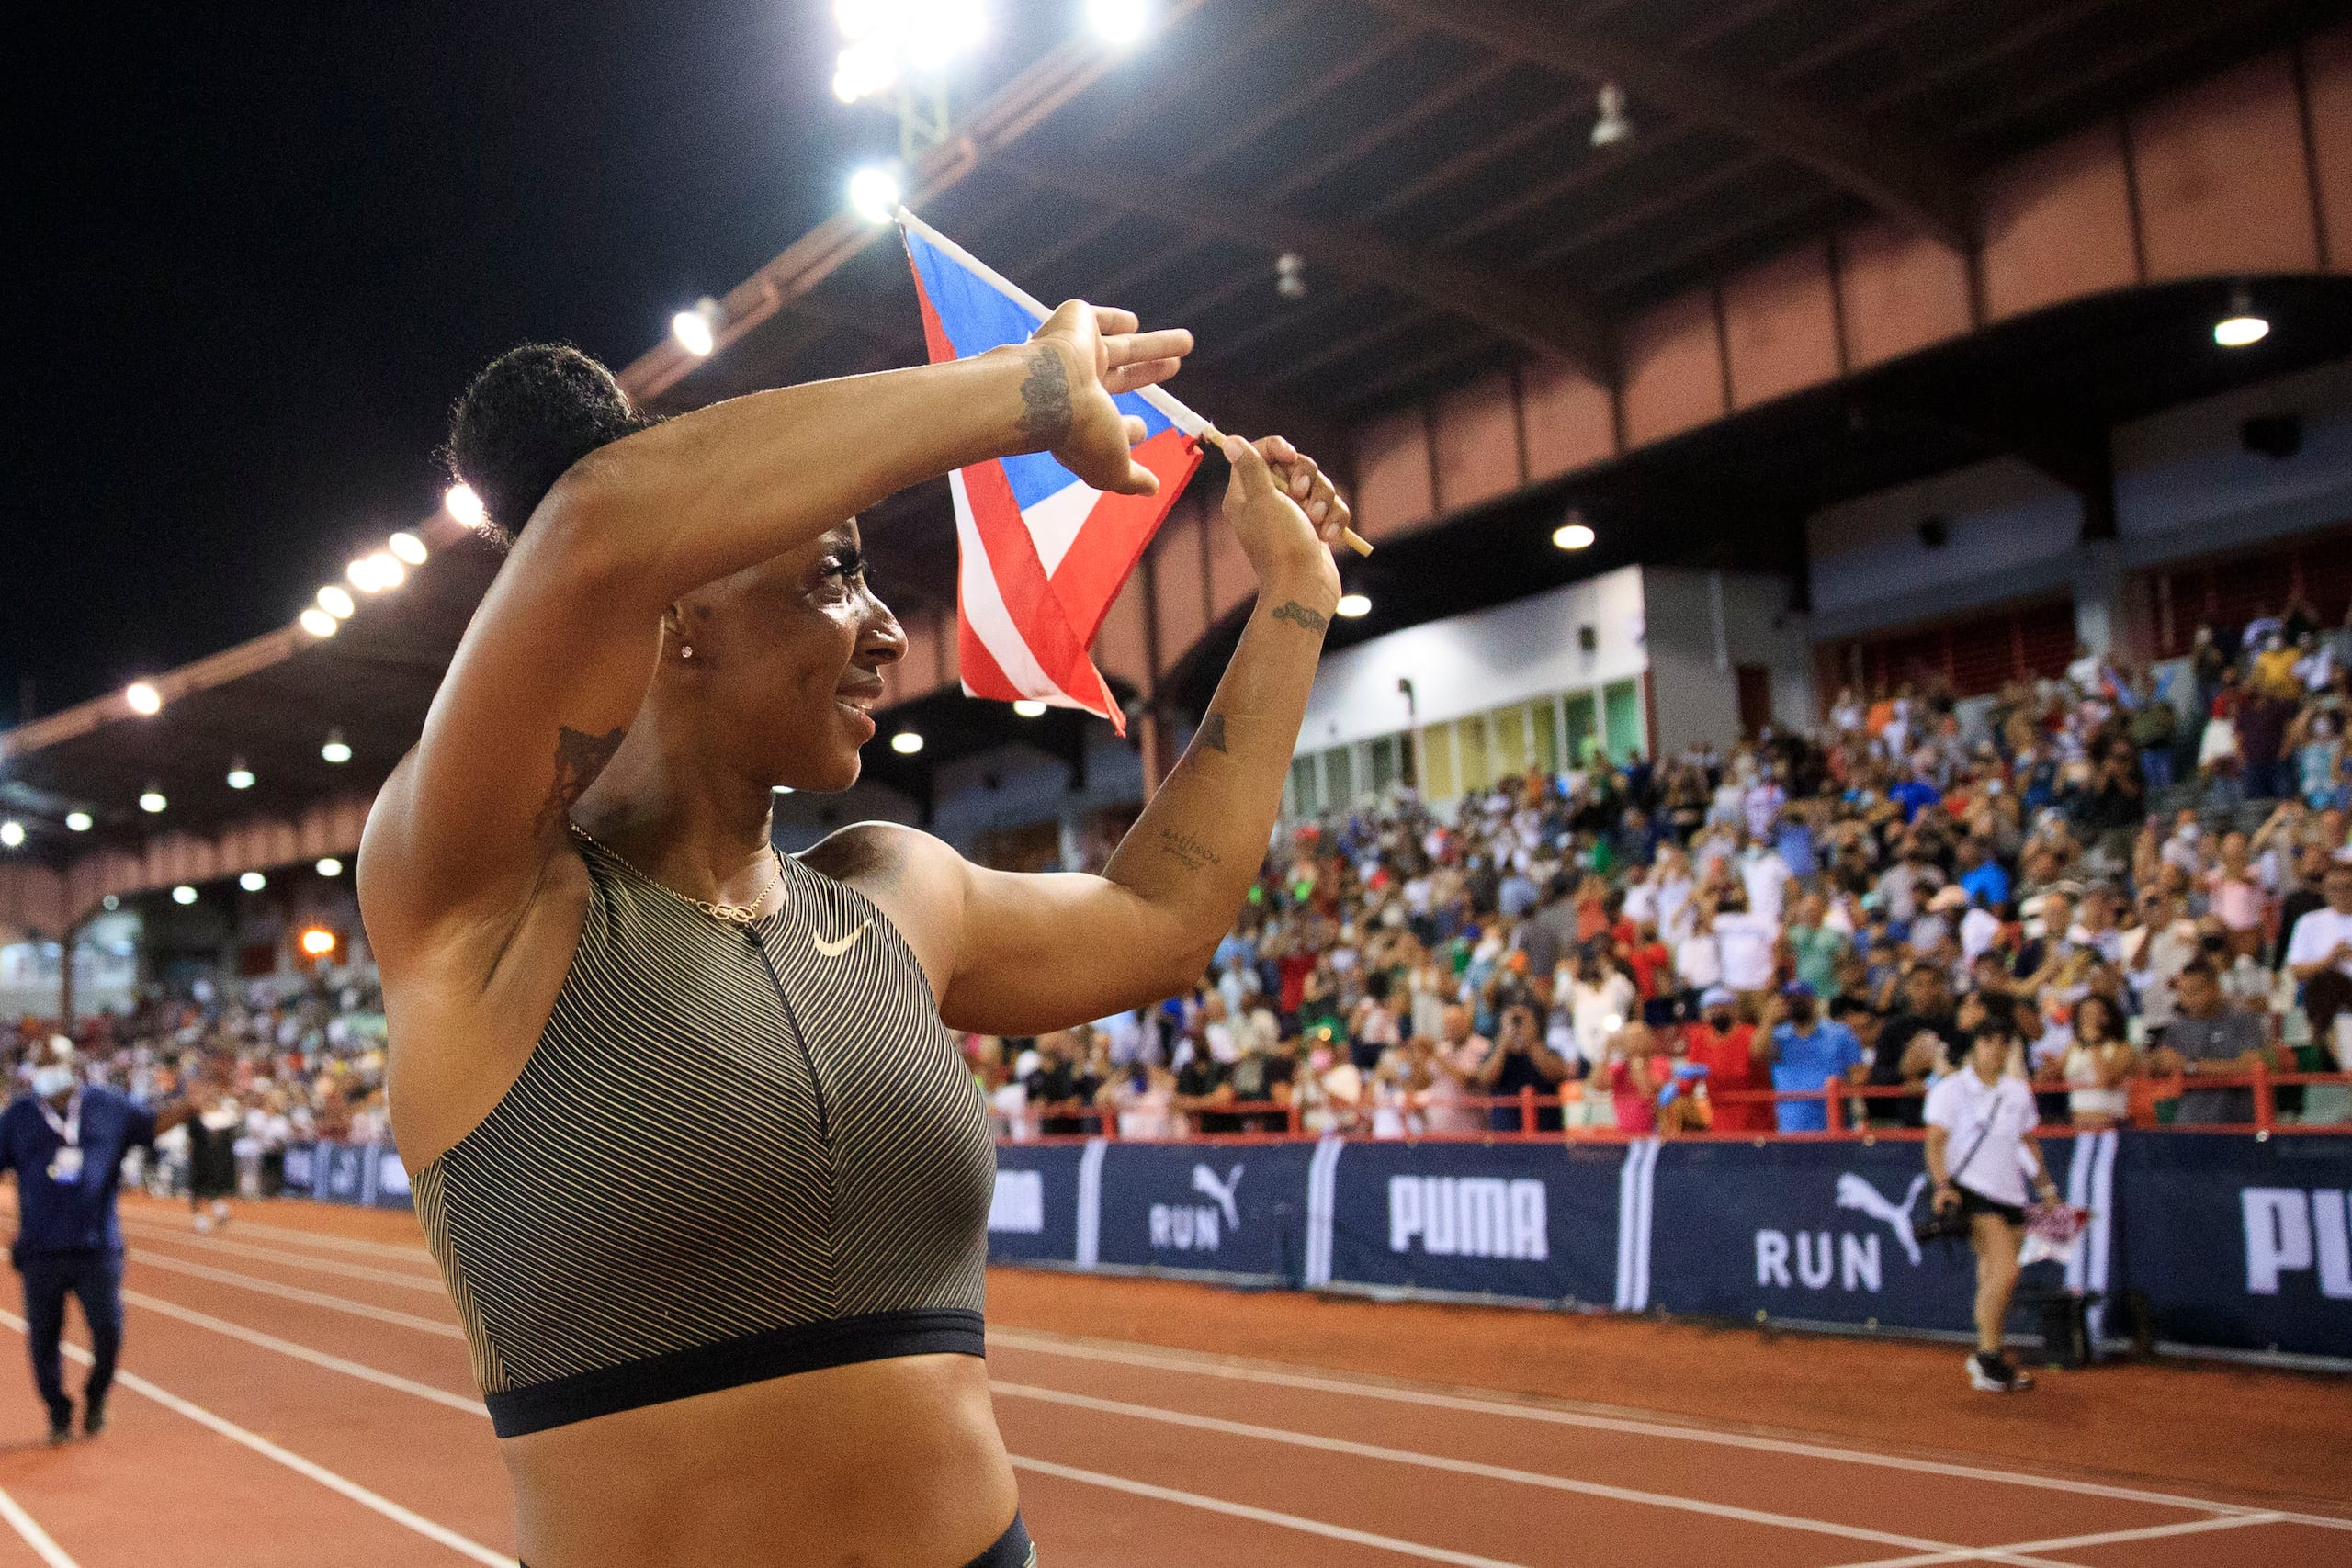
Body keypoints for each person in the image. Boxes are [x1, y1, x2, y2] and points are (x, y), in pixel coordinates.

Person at [359, 311, 1354, 1567]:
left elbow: (1159, 921)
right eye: (835, 575)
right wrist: (1024, 391)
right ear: (679, 615)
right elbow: (596, 530)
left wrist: (1293, 607)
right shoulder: (479, 900)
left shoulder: (891, 890)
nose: (886, 630)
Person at [0, 1040, 194, 1442]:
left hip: (97, 1248)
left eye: (53, 1062)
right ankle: (57, 1409)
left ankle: (96, 1396)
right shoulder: (18, 1117)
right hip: (41, 1251)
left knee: (109, 1331)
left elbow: (149, 1126)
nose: (46, 1070)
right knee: (43, 1339)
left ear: (75, 1066)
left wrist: (188, 1107)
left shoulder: (108, 1105)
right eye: (39, 1063)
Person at [1926, 1021, 2064, 1393]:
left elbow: (2028, 1142)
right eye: (1988, 1043)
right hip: (1972, 1192)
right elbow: (1935, 1142)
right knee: (2005, 1272)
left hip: (2012, 1194)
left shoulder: (2017, 1091)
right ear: (1974, 1047)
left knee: (1993, 1275)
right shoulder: (1950, 1091)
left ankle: (1988, 1354)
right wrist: (1942, 1186)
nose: (1996, 1051)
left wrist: (2046, 1189)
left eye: (2003, 1044)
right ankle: (1989, 1356)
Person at [2152, 962, 2272, 1125]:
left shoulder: (2243, 1020)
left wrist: (2190, 1066)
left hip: (2236, 1123)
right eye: (2184, 992)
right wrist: (2156, 1063)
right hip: (2189, 1124)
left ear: (2215, 988)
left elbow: (2253, 1065)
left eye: (2196, 991)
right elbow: (2159, 1066)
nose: (2189, 998)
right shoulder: (2177, 1028)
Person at [1761, 982, 1866, 1133]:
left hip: (1833, 1126)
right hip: (1791, 1128)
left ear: (1813, 1000)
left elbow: (1858, 1074)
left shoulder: (1840, 1033)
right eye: (1790, 999)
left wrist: (1841, 1091)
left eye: (1801, 998)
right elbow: (1757, 1054)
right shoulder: (1778, 1036)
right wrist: (1768, 1020)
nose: (1796, 1003)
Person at [1471, 998, 1573, 1132]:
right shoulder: (1495, 1055)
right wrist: (1504, 1039)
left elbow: (1556, 1074)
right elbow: (1485, 1079)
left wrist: (1530, 1039)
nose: (1517, 1023)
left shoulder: (1549, 1052)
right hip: (1506, 1139)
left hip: (1547, 1138)